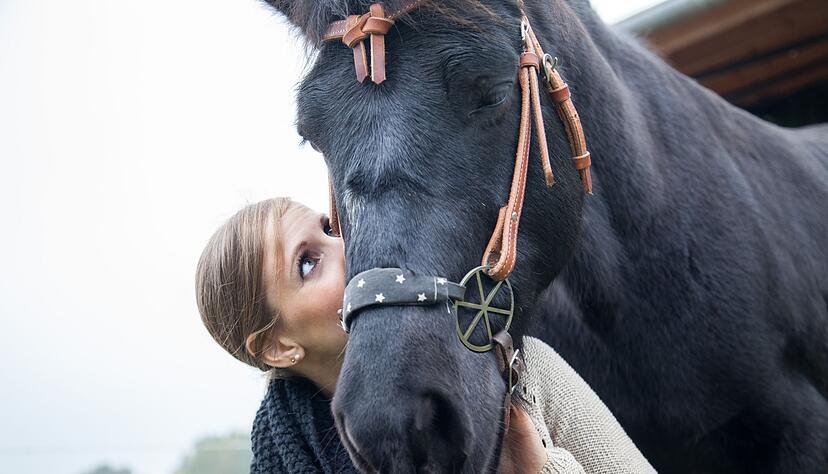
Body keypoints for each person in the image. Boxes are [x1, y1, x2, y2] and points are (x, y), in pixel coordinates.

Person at [196, 197, 656, 474]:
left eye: (331, 228)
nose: (348, 244)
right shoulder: (288, 457)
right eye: (307, 262)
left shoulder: (518, 370)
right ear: (279, 347)